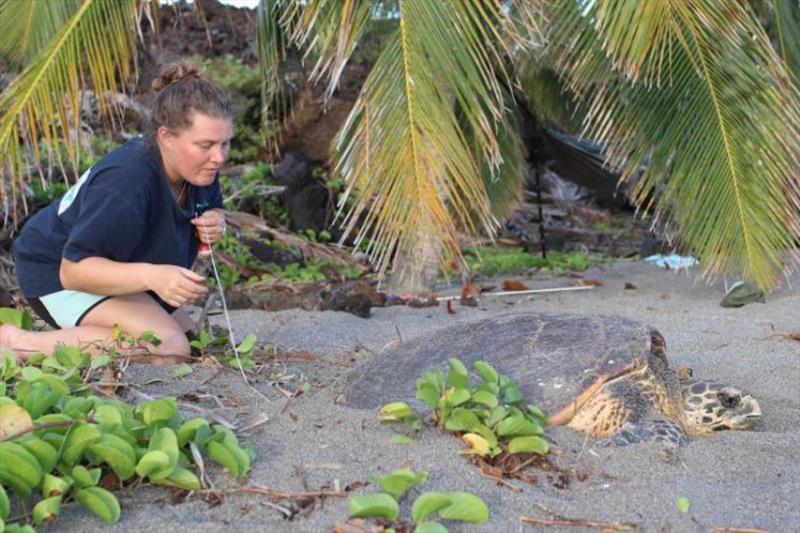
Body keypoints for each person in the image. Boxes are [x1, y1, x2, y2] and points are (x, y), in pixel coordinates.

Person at [1, 62, 232, 361]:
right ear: (166, 137)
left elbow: (210, 208)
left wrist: (218, 221)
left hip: (120, 269)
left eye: (225, 143)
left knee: (194, 343)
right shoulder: (127, 181)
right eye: (206, 145)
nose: (219, 157)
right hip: (56, 272)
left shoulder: (199, 168)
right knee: (171, 349)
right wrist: (153, 277)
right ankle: (17, 342)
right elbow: (73, 271)